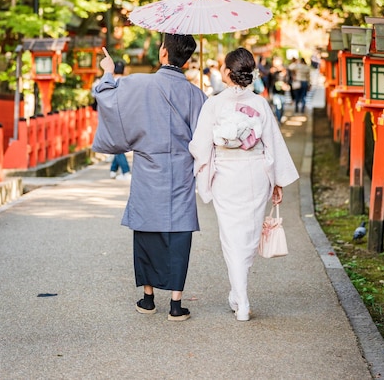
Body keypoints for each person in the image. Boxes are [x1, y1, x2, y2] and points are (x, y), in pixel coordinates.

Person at [92, 34, 207, 321]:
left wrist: (108, 71)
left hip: (148, 166)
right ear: (187, 59)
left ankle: (148, 298)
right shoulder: (196, 94)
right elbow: (206, 138)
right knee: (179, 232)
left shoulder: (138, 83)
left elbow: (107, 99)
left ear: (163, 53)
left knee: (147, 229)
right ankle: (176, 304)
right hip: (181, 170)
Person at [189, 47, 299, 321]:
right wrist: (277, 181)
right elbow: (272, 143)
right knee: (249, 236)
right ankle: (239, 294)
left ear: (227, 72)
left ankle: (242, 299)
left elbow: (200, 146)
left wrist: (202, 161)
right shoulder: (260, 104)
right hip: (255, 173)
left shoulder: (213, 103)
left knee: (232, 237)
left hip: (227, 174)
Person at [108, 60, 131, 180]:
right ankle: (118, 170)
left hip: (112, 116)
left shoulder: (109, 82)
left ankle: (121, 171)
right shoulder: (128, 82)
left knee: (117, 145)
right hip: (125, 115)